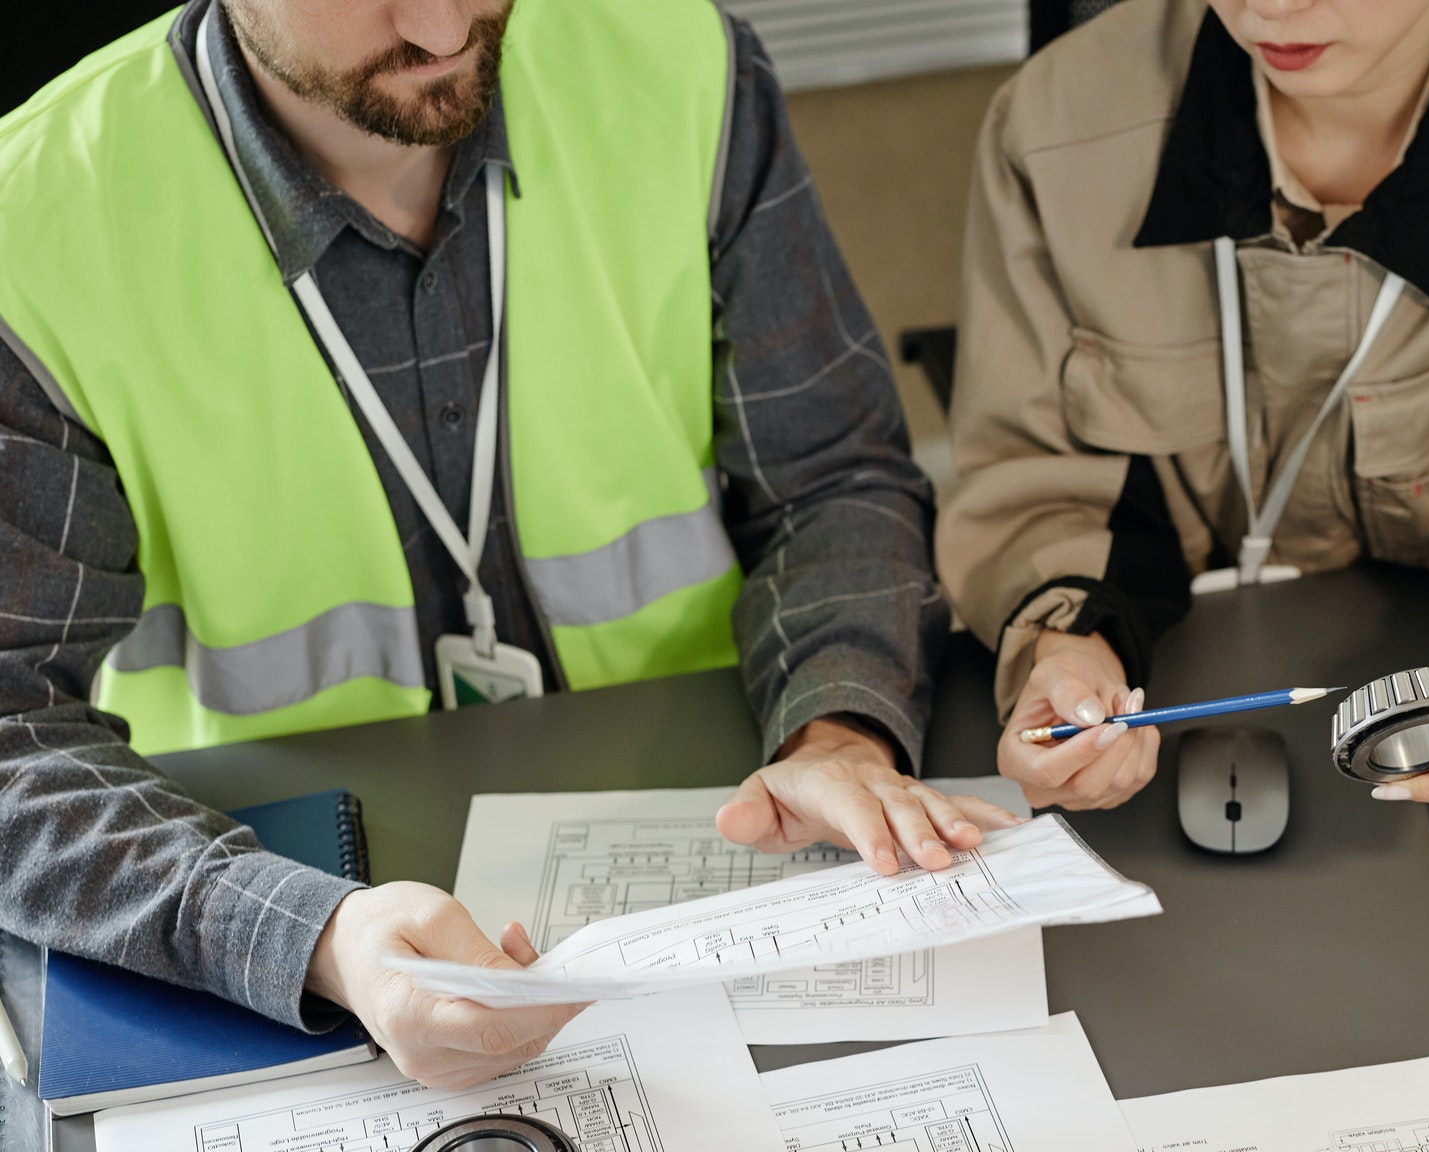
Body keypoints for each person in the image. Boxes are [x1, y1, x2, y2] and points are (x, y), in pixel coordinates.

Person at [0, 0, 1018, 1090]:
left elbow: (832, 475)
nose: (445, 27)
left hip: (708, 809)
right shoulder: (40, 222)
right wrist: (309, 936)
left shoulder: (679, 63)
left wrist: (836, 731)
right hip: (288, 861)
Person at [939, 0, 1429, 814]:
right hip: (1168, 705)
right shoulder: (1049, 130)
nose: (1270, 8)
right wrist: (1070, 646)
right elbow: (1034, 476)